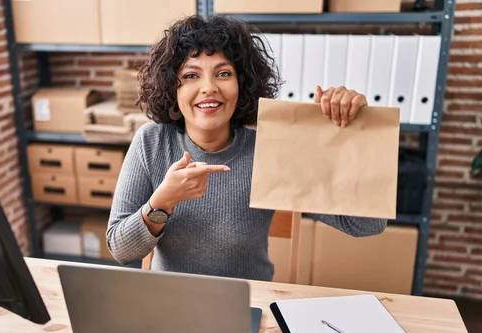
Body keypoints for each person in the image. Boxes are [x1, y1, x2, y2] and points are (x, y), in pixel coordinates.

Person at [106, 14, 387, 281]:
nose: (209, 88)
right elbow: (120, 250)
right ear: (172, 87)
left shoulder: (270, 149)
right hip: (173, 307)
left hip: (250, 303)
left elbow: (368, 225)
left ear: (242, 84)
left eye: (224, 73)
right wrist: (163, 201)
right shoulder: (151, 142)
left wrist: (347, 134)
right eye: (191, 75)